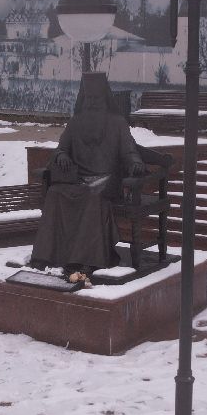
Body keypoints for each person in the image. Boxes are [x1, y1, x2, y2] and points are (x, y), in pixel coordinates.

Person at [30, 73, 144, 282]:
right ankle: (45, 255)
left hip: (107, 182)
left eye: (96, 99)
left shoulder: (117, 122)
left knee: (93, 198)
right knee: (55, 193)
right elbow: (60, 149)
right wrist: (62, 155)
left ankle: (85, 260)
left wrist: (135, 163)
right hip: (79, 180)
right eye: (88, 99)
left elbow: (129, 151)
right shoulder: (75, 123)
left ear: (104, 99)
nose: (92, 104)